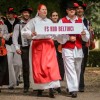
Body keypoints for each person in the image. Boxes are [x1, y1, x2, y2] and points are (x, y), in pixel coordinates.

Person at [21, 4, 61, 98]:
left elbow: (55, 33)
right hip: (37, 45)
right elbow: (23, 31)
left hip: (49, 45)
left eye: (46, 9)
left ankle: (51, 89)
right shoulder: (33, 21)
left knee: (51, 67)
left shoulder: (49, 21)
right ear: (38, 11)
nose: (45, 11)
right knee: (38, 68)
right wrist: (31, 33)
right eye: (43, 9)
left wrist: (59, 35)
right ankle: (40, 88)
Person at [58, 2, 90, 98]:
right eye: (70, 9)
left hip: (78, 48)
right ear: (67, 10)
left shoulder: (80, 21)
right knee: (70, 68)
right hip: (67, 48)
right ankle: (73, 90)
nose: (72, 10)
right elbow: (58, 36)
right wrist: (68, 38)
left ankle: (70, 86)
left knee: (77, 69)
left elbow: (87, 36)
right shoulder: (62, 21)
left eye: (74, 9)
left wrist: (84, 35)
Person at [12, 6, 33, 93]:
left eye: (27, 13)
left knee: (34, 66)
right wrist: (17, 48)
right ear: (22, 14)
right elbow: (14, 37)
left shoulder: (33, 23)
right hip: (24, 47)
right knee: (25, 67)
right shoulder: (18, 25)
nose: (26, 14)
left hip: (34, 47)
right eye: (24, 12)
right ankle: (26, 86)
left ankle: (37, 86)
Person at [76, 1, 94, 92]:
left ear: (83, 11)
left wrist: (90, 40)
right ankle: (80, 85)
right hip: (74, 44)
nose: (79, 10)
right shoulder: (73, 20)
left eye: (81, 9)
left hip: (84, 45)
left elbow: (91, 33)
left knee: (82, 65)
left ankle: (80, 82)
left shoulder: (87, 21)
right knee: (76, 65)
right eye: (78, 9)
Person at [4, 7, 21, 89]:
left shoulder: (18, 22)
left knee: (18, 64)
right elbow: (4, 36)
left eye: (10, 13)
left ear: (14, 14)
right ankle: (12, 83)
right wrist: (9, 34)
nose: (8, 15)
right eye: (7, 13)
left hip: (17, 44)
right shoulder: (5, 23)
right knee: (9, 64)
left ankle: (16, 78)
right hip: (8, 45)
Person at [0, 18, 9, 92]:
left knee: (3, 68)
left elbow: (7, 36)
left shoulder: (4, 26)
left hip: (2, 49)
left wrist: (2, 36)